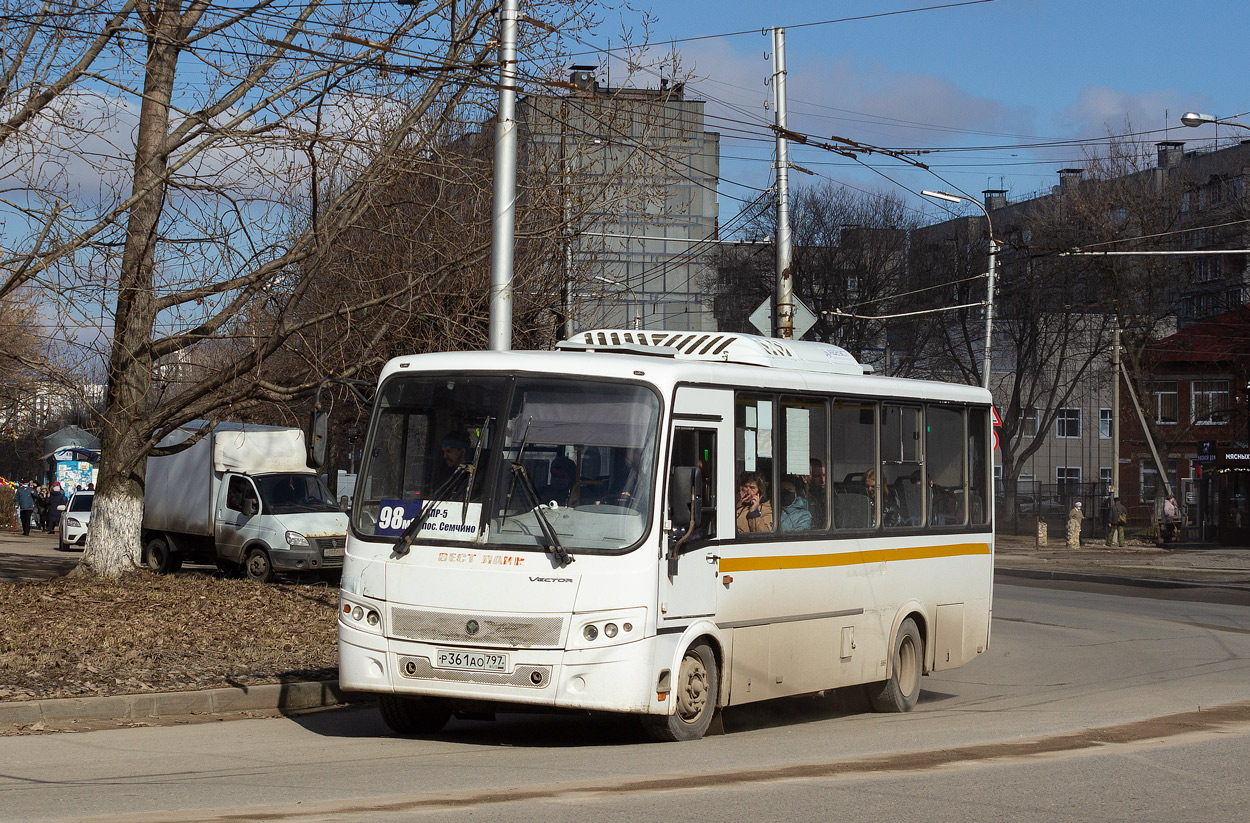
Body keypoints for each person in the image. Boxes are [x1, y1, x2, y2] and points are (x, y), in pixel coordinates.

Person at [806, 458, 827, 528]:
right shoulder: (800, 499)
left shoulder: (830, 497)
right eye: (817, 476)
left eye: (824, 475)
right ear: (805, 477)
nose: (822, 480)